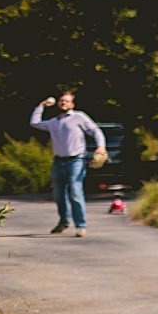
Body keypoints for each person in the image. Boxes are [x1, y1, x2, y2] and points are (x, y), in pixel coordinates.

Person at [30, 91, 107, 237]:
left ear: (72, 104)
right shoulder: (53, 122)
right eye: (61, 101)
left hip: (76, 160)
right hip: (59, 161)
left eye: (66, 101)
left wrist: (101, 146)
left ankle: (80, 225)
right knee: (58, 194)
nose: (63, 103)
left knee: (75, 191)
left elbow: (95, 131)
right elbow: (34, 123)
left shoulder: (79, 117)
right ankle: (64, 221)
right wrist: (41, 106)